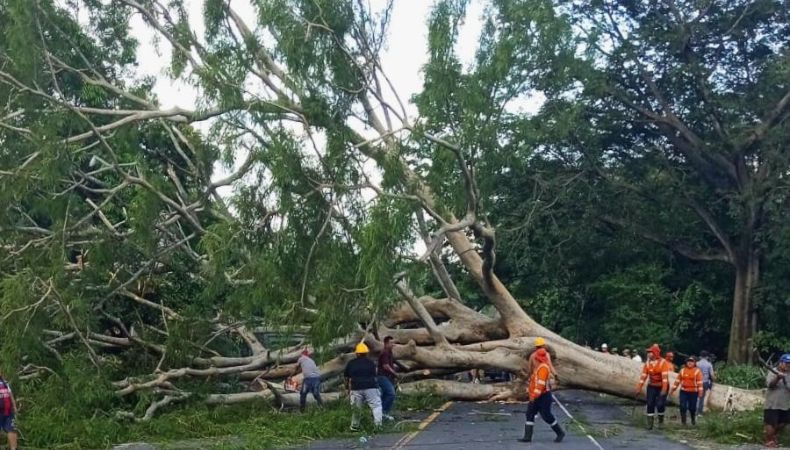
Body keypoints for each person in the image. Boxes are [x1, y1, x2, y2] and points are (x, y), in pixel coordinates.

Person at [519, 347, 565, 443]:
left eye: (535, 359)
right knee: (530, 414)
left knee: (546, 415)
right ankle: (527, 436)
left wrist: (533, 397)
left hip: (543, 396)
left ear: (538, 359)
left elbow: (540, 385)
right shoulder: (540, 367)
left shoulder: (543, 368)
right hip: (537, 396)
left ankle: (560, 432)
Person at [344, 343, 382, 431]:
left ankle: (354, 426)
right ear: (366, 353)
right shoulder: (371, 363)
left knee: (356, 408)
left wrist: (347, 389)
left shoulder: (351, 363)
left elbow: (346, 377)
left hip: (356, 388)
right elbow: (375, 375)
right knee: (376, 406)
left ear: (357, 353)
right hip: (371, 387)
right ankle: (378, 426)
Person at [636, 344, 670, 429]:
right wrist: (639, 387)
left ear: (655, 353)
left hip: (662, 386)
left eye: (650, 352)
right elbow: (643, 376)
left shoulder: (663, 363)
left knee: (660, 404)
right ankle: (650, 424)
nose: (648, 354)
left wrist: (664, 389)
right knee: (650, 403)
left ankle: (660, 422)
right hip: (651, 386)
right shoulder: (647, 363)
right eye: (648, 352)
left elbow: (665, 378)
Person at [763, 353, 790, 448]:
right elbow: (770, 385)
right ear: (781, 363)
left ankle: (772, 436)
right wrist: (778, 378)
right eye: (786, 363)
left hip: (785, 404)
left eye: (789, 363)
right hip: (772, 404)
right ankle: (769, 440)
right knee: (770, 423)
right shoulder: (773, 372)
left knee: (784, 422)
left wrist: (785, 380)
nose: (788, 365)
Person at [377, 336, 404, 421]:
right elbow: (386, 366)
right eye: (391, 343)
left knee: (385, 395)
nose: (393, 345)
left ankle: (380, 414)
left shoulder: (389, 352)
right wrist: (395, 373)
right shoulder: (384, 352)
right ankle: (383, 413)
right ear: (386, 343)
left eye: (393, 343)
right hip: (383, 376)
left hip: (388, 377)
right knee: (391, 393)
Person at [670, 357, 703, 426]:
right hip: (684, 391)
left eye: (691, 361)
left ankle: (693, 419)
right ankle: (683, 422)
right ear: (686, 362)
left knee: (692, 408)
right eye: (688, 361)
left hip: (693, 392)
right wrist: (673, 389)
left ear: (694, 363)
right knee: (682, 406)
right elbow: (677, 381)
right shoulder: (682, 370)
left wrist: (700, 393)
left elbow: (700, 383)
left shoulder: (697, 371)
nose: (689, 363)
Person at [0, 370, 18, 450]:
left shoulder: (4, 382)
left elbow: (10, 395)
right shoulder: (4, 382)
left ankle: (13, 448)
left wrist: (14, 407)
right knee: (11, 430)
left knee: (12, 430)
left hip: (8, 411)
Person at [696, 350, 715, 415]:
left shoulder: (697, 363)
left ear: (700, 357)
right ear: (707, 357)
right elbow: (712, 375)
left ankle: (693, 411)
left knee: (695, 396)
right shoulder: (709, 364)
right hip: (704, 382)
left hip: (696, 382)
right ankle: (699, 413)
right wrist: (714, 380)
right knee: (701, 397)